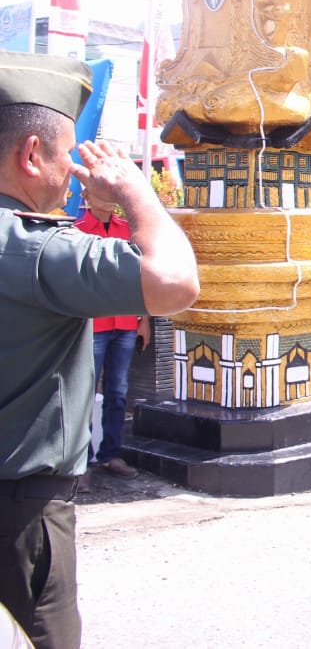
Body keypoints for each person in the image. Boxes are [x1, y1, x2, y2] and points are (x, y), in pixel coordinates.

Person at [0, 52, 200, 648]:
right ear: (32, 155)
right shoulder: (36, 249)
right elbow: (177, 282)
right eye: (68, 156)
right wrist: (138, 191)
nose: (72, 175)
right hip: (20, 509)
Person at [73, 186, 153, 480]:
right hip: (92, 324)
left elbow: (139, 275)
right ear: (87, 198)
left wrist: (143, 319)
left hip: (124, 324)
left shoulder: (126, 230)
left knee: (117, 393)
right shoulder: (77, 231)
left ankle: (111, 454)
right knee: (83, 392)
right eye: (99, 194)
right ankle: (81, 462)